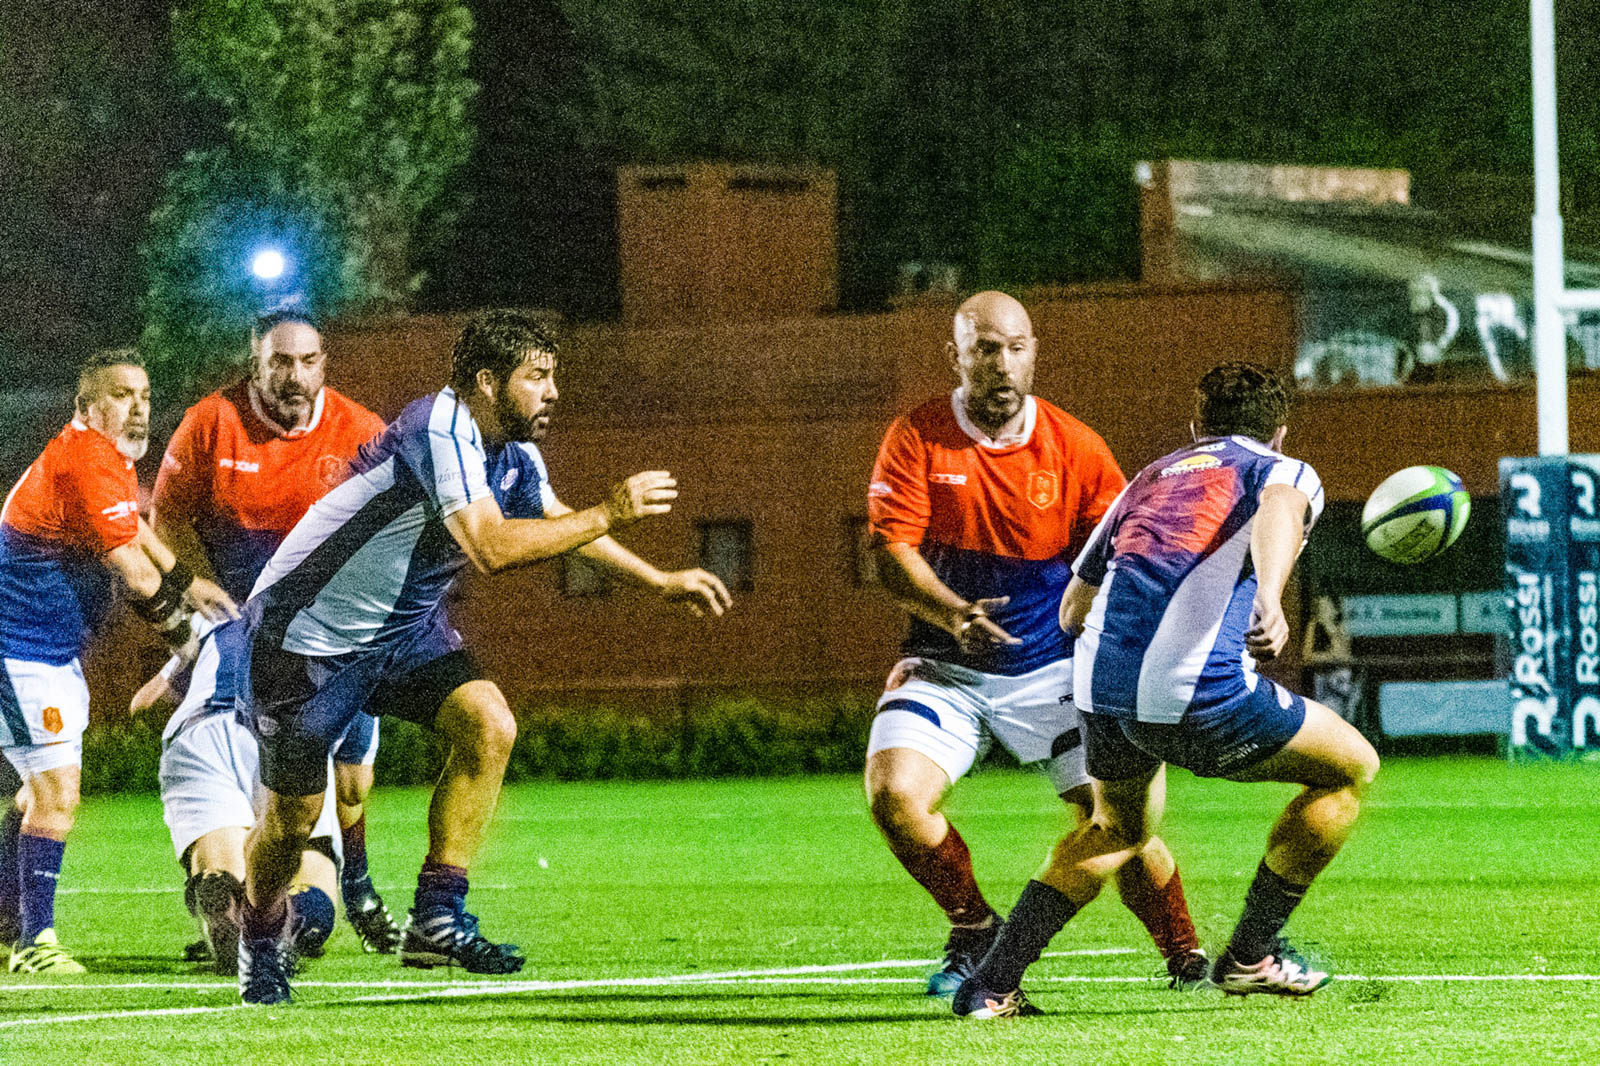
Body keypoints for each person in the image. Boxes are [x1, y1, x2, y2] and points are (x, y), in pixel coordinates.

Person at [232, 309, 731, 1004]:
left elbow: (558, 521)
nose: (553, 392)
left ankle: (437, 915)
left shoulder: (512, 449)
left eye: (554, 376)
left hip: (401, 634)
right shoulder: (437, 429)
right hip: (303, 643)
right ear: (489, 382)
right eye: (539, 377)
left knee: (489, 724)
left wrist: (658, 580)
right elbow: (492, 547)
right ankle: (257, 935)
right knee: (291, 820)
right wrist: (611, 511)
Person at [954, 361, 1379, 1018]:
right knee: (1351, 768)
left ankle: (990, 986)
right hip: (1194, 693)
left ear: (1195, 427)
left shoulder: (1147, 481)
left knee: (1116, 829)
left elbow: (1073, 608)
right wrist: (1268, 596)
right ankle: (1249, 957)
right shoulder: (1279, 468)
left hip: (1100, 691)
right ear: (1281, 433)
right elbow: (1282, 509)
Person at [865, 291, 1203, 998]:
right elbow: (888, 552)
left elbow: (1123, 554)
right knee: (896, 798)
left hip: (1052, 670)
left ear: (1034, 353)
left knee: (1115, 818)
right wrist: (954, 612)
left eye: (1015, 348)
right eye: (985, 348)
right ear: (954, 355)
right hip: (945, 667)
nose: (1002, 364)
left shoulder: (1075, 446)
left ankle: (1185, 955)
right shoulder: (917, 435)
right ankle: (976, 928)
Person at [145, 307, 401, 956]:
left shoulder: (360, 431)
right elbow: (167, 519)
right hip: (267, 648)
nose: (293, 375)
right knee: (317, 798)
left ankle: (234, 887)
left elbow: (393, 530)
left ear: (324, 366)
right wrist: (203, 589)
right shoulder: (212, 422)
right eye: (279, 362)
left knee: (350, 782)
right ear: (254, 362)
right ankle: (317, 904)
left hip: (316, 641)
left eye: (306, 362)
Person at [0, 348, 237, 974]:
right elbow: (132, 572)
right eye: (122, 395)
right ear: (86, 406)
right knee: (57, 793)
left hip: (47, 653)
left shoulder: (99, 458)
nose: (139, 408)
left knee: (33, 794)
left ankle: (7, 925)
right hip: (16, 651)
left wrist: (186, 580)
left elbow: (134, 525)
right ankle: (35, 943)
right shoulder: (84, 459)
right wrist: (185, 640)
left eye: (146, 396)